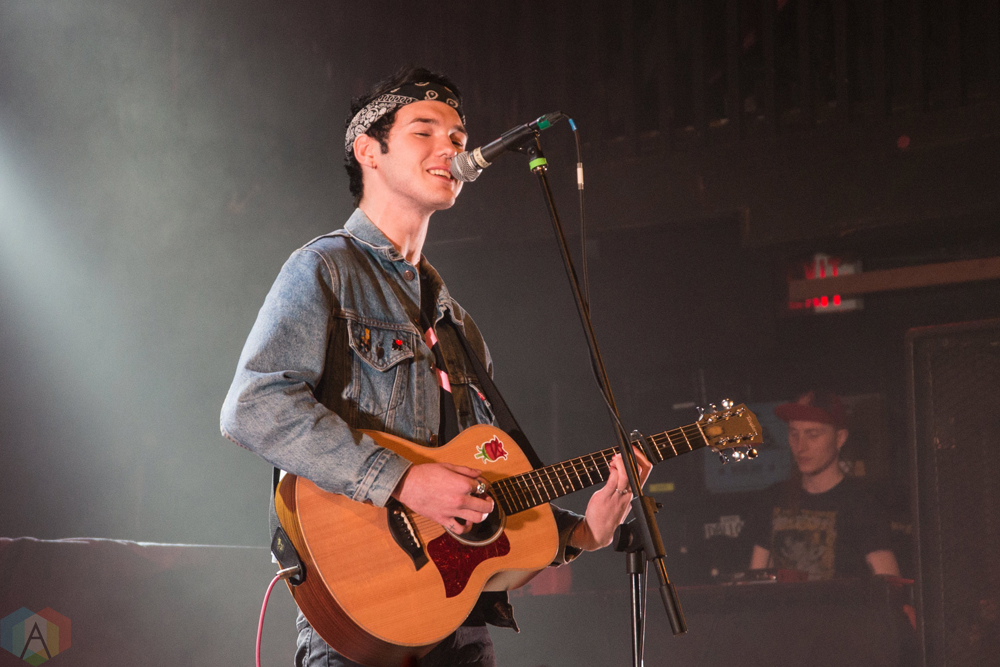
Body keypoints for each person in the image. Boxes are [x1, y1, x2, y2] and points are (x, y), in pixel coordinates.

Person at [220, 66, 650, 667]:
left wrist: (581, 533)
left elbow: (479, 483)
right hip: (358, 623)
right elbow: (252, 406)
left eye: (457, 136)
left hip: (459, 627)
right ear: (368, 151)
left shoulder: (459, 325)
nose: (450, 147)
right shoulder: (324, 269)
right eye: (424, 131)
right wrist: (401, 480)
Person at [747, 391, 900, 580]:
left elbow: (890, 585)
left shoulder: (861, 504)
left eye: (812, 435)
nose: (800, 446)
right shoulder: (773, 498)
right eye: (794, 434)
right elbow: (756, 580)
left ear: (840, 438)